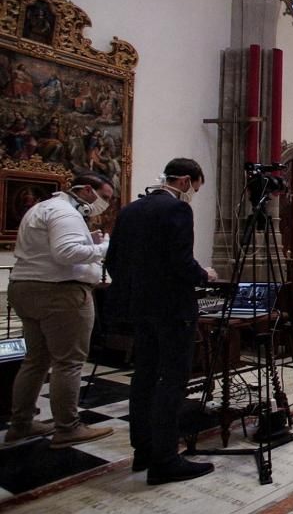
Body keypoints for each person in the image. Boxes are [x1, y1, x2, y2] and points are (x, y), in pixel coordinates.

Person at [105, 158, 218, 485]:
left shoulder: (130, 210)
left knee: (144, 376)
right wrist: (203, 275)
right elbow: (181, 262)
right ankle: (166, 459)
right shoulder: (176, 210)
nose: (193, 195)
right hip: (172, 309)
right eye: (195, 188)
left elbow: (113, 261)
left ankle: (144, 449)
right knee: (172, 380)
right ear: (185, 181)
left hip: (140, 308)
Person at [3, 172, 116, 449]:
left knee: (36, 360)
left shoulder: (42, 207)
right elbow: (65, 253)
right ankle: (68, 427)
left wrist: (87, 240)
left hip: (25, 286)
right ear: (87, 190)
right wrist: (103, 247)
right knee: (68, 362)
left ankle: (21, 424)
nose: (105, 204)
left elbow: (52, 247)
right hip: (59, 293)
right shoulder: (66, 212)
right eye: (104, 197)